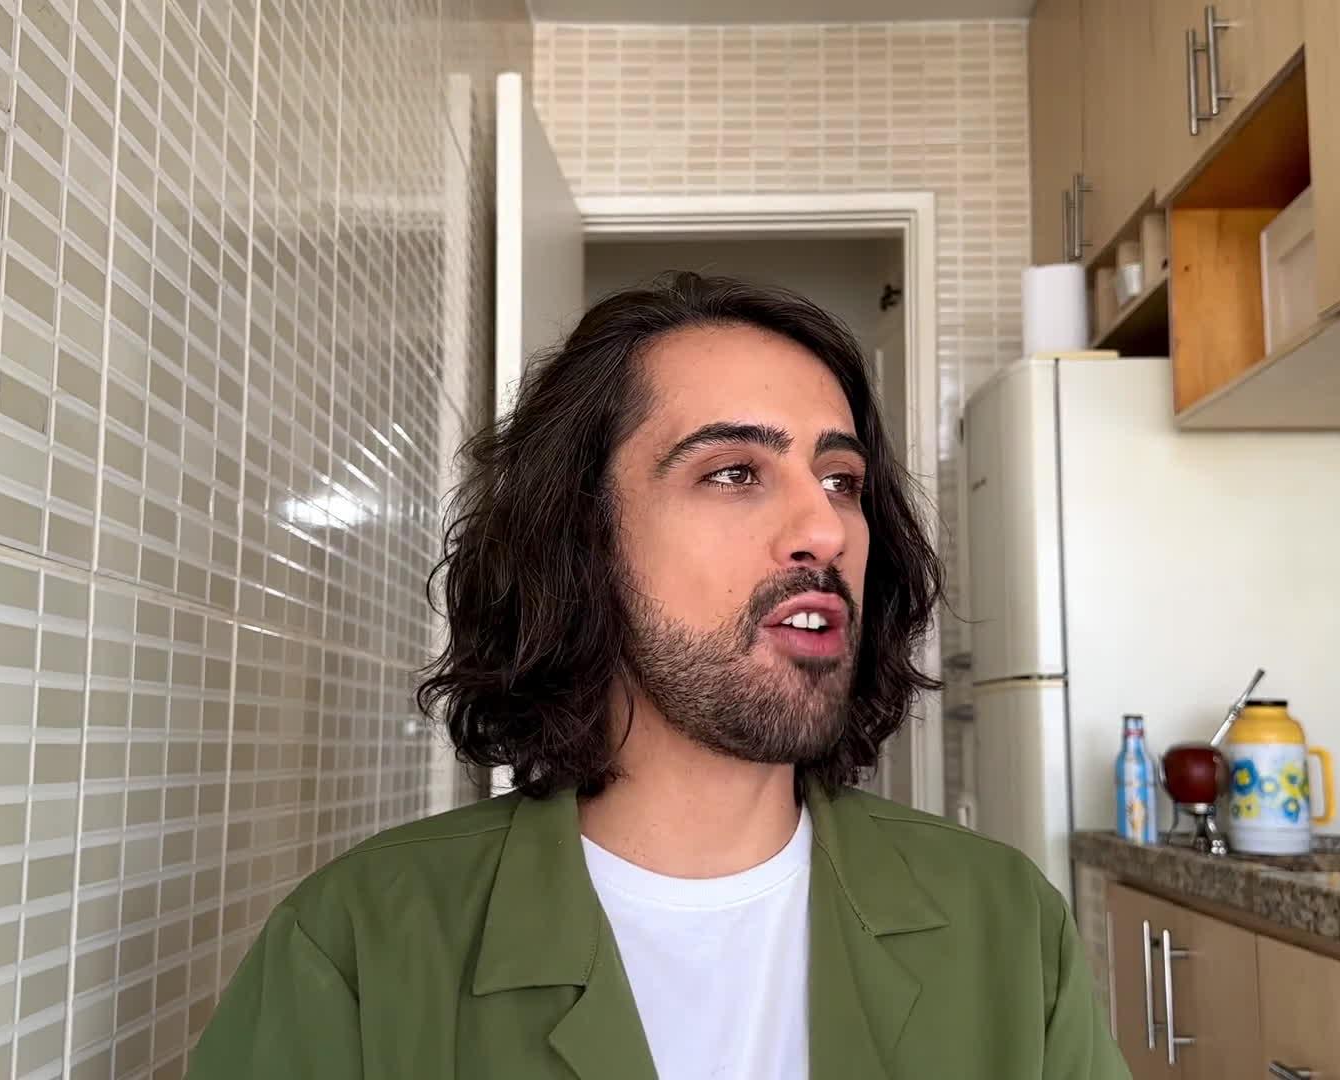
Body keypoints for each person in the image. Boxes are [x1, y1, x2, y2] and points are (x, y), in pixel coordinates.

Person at [186, 273, 1130, 1079]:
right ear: (584, 540)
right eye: (733, 472)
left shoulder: (1007, 929)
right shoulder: (358, 944)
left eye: (842, 481)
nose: (826, 528)